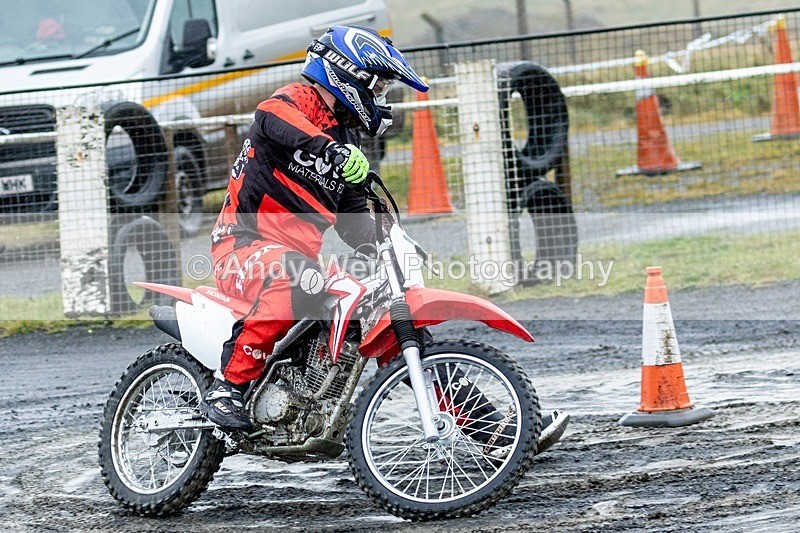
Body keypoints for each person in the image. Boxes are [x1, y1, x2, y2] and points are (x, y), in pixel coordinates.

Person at [202, 25, 569, 455]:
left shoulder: (345, 140)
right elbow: (270, 119)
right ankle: (226, 389)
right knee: (297, 278)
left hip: (299, 257)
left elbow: (354, 216)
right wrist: (330, 151)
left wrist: (390, 243)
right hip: (241, 245)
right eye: (376, 84)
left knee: (389, 321)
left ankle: (495, 431)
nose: (380, 95)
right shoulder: (295, 103)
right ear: (345, 73)